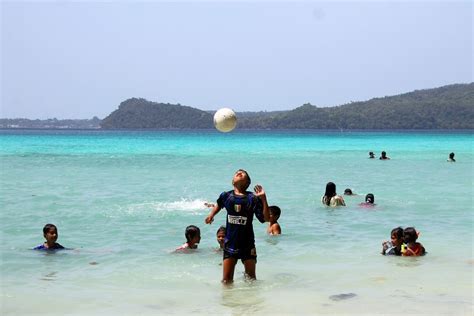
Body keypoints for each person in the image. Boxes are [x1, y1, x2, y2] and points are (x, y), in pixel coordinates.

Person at [204, 169, 270, 283]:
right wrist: (211, 215)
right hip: (230, 244)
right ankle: (228, 300)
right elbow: (219, 205)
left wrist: (263, 199)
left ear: (247, 182)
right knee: (226, 281)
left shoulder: (253, 198)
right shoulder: (226, 196)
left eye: (243, 173)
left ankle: (251, 300)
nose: (239, 173)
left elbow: (266, 219)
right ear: (233, 181)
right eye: (236, 173)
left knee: (251, 280)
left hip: (248, 244)